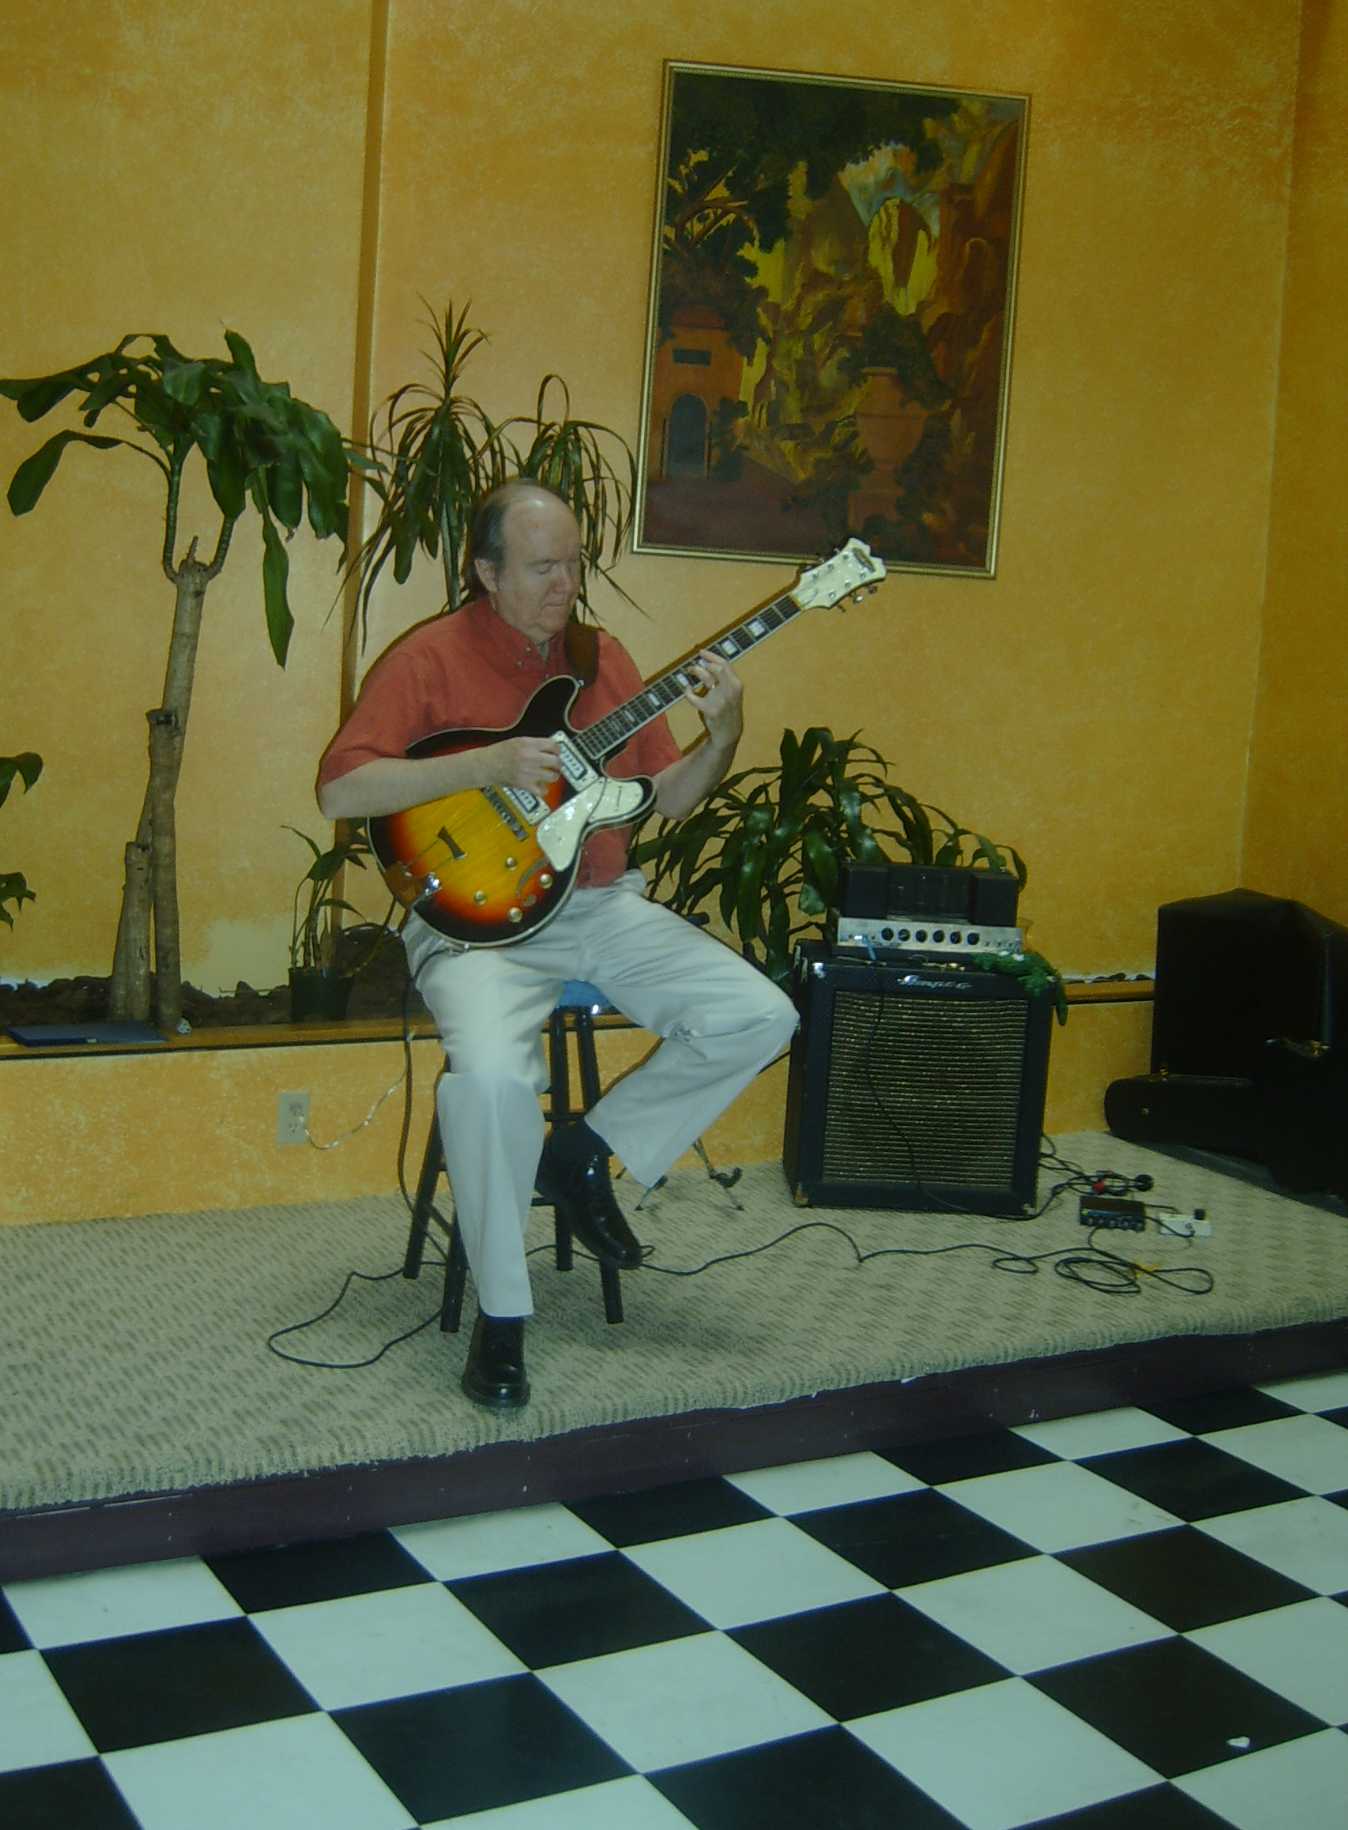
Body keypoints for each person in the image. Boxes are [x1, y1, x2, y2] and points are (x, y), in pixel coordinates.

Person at [318, 479, 798, 1410]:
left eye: (573, 563)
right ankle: (504, 1316)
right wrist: (489, 763)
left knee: (758, 1013)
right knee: (493, 1079)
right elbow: (341, 791)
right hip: (476, 928)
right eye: (542, 566)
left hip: (595, 903)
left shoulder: (601, 658)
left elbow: (672, 795)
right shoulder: (429, 657)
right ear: (486, 571)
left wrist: (725, 731)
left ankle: (581, 1153)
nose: (563, 585)